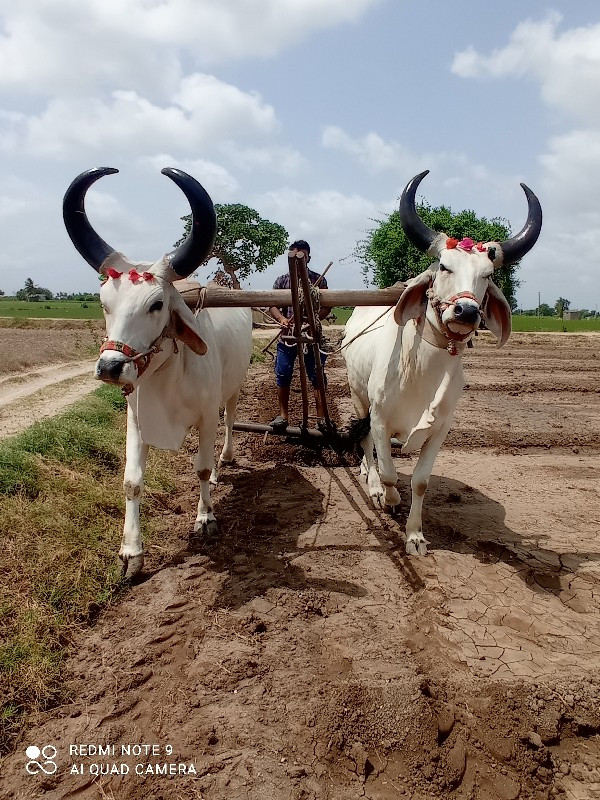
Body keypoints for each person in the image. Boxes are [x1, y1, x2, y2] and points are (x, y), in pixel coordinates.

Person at [268, 240, 331, 431]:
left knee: (317, 376)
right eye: (293, 257)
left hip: (312, 337)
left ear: (308, 258)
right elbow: (272, 304)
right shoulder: (281, 281)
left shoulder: (318, 280)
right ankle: (283, 416)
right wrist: (281, 319)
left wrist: (313, 321)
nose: (297, 261)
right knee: (283, 373)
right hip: (287, 337)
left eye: (301, 257)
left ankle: (321, 418)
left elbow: (327, 305)